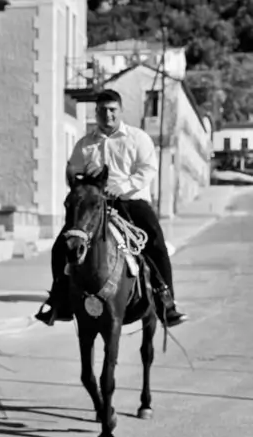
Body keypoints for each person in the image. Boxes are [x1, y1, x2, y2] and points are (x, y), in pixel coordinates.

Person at [35, 89, 188, 328]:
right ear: (96, 113)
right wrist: (84, 177)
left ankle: (165, 300)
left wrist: (123, 186)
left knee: (155, 243)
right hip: (95, 204)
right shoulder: (85, 144)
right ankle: (60, 299)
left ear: (121, 111)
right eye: (103, 110)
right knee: (61, 246)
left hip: (131, 201)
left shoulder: (138, 138)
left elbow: (148, 169)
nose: (108, 115)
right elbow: (72, 172)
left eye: (112, 110)